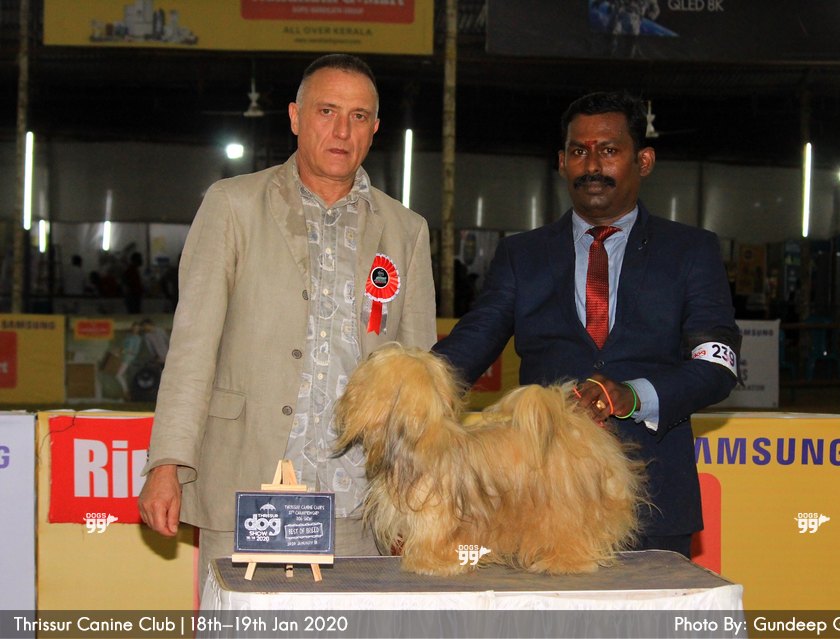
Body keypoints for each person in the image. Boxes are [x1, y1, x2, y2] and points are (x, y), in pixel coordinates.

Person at [138, 54, 437, 590]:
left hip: (361, 503)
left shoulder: (407, 230)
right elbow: (191, 348)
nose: (342, 130)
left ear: (375, 128)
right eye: (327, 111)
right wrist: (167, 463)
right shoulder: (232, 205)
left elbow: (419, 375)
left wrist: (419, 484)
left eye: (359, 116)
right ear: (296, 117)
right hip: (248, 489)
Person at [432, 91, 740, 558]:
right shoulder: (522, 255)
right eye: (579, 151)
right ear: (561, 162)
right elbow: (473, 340)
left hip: (655, 503)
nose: (592, 165)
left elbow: (717, 364)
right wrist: (415, 386)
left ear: (644, 160)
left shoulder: (692, 251)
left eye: (609, 150)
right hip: (538, 502)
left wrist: (632, 395)